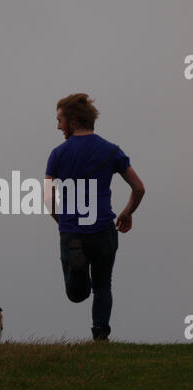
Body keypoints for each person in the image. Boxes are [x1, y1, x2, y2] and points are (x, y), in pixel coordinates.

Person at [44, 93, 145, 342]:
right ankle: (100, 333)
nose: (57, 126)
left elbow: (47, 198)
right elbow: (139, 188)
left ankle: (78, 273)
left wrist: (64, 223)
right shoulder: (112, 152)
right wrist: (127, 213)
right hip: (102, 231)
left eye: (60, 120)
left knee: (77, 294)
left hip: (72, 233)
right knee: (102, 286)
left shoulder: (57, 154)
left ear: (74, 121)